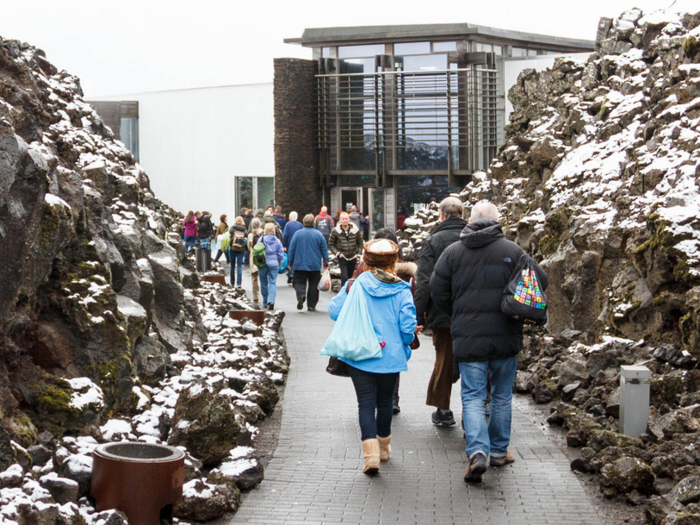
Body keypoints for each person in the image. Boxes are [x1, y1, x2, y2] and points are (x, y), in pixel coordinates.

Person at [430, 200, 548, 483]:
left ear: (471, 220)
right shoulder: (513, 250)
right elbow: (539, 281)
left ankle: (477, 451)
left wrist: (456, 314)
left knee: (472, 395)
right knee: (501, 395)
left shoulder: (453, 253)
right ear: (497, 221)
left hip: (468, 337)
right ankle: (498, 451)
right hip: (506, 335)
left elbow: (437, 290)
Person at [328, 238, 419, 474]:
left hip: (360, 353)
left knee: (365, 403)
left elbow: (334, 312)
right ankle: (384, 449)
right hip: (390, 356)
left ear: (366, 260)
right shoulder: (402, 289)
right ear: (394, 262)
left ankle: (371, 456)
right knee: (385, 401)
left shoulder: (356, 284)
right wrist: (405, 342)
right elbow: (408, 329)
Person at [414, 196, 467, 428]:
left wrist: (418, 315)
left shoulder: (433, 241)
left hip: (442, 312)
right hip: (472, 311)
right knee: (476, 359)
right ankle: (479, 407)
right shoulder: (474, 237)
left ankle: (443, 410)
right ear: (462, 214)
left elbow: (424, 281)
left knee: (444, 359)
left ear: (441, 215)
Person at [287, 214, 329, 312]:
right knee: (314, 285)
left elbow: (292, 249)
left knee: (299, 282)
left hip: (299, 263)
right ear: (313, 223)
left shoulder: (297, 234)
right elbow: (324, 249)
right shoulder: (319, 234)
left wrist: (290, 262)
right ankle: (311, 305)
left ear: (303, 222)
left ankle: (301, 295)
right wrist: (326, 262)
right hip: (314, 264)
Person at [328, 212, 364, 287]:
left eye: (346, 218)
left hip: (353, 256)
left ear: (349, 219)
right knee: (344, 276)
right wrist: (337, 253)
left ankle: (351, 293)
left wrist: (359, 254)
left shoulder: (355, 230)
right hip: (342, 257)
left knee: (352, 277)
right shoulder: (336, 231)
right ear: (340, 220)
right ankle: (343, 293)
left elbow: (360, 242)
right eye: (343, 219)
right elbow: (331, 244)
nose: (345, 220)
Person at [259, 222, 284, 310]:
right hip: (274, 264)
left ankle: (265, 301)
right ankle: (271, 301)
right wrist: (278, 260)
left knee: (263, 282)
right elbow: (281, 254)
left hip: (262, 263)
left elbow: (256, 250)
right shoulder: (277, 241)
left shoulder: (261, 239)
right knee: (272, 282)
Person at [283, 211, 303, 284]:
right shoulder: (300, 225)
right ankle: (295, 274)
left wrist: (284, 245)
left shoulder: (288, 224)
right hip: (298, 245)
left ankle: (290, 273)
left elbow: (285, 235)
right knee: (297, 259)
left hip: (289, 244)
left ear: (290, 218)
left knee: (290, 259)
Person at [247, 218, 263, 306]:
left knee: (254, 278)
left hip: (253, 257)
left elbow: (249, 247)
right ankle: (265, 296)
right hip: (262, 256)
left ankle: (255, 297)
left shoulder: (250, 235)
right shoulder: (263, 233)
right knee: (264, 277)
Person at [228, 216, 247, 287]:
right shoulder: (244, 229)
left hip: (233, 248)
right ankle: (239, 283)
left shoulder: (232, 228)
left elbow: (230, 236)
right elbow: (246, 237)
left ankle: (232, 282)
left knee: (232, 265)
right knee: (239, 266)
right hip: (241, 249)